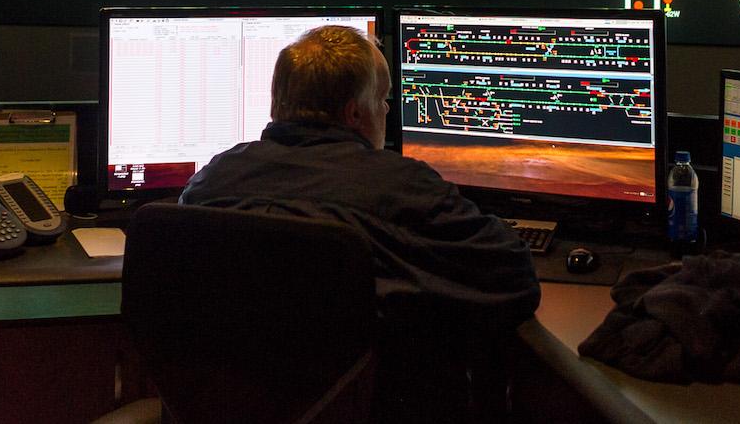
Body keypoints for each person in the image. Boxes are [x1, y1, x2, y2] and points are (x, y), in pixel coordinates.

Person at [179, 24, 540, 420]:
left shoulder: (211, 181)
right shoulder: (400, 186)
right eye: (383, 99)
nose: (386, 110)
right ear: (355, 112)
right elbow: (513, 276)